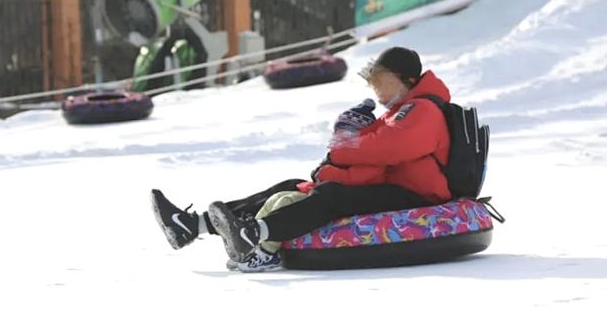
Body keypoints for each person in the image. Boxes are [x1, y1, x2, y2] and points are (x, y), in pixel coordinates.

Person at [152, 46, 452, 271]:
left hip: (418, 196)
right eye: (372, 80)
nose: (375, 87)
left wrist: (342, 143)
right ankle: (194, 225)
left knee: (333, 195)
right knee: (295, 185)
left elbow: (386, 150)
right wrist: (331, 168)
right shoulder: (397, 112)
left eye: (381, 80)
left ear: (407, 80)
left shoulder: (424, 110)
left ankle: (257, 232)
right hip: (391, 186)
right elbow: (368, 155)